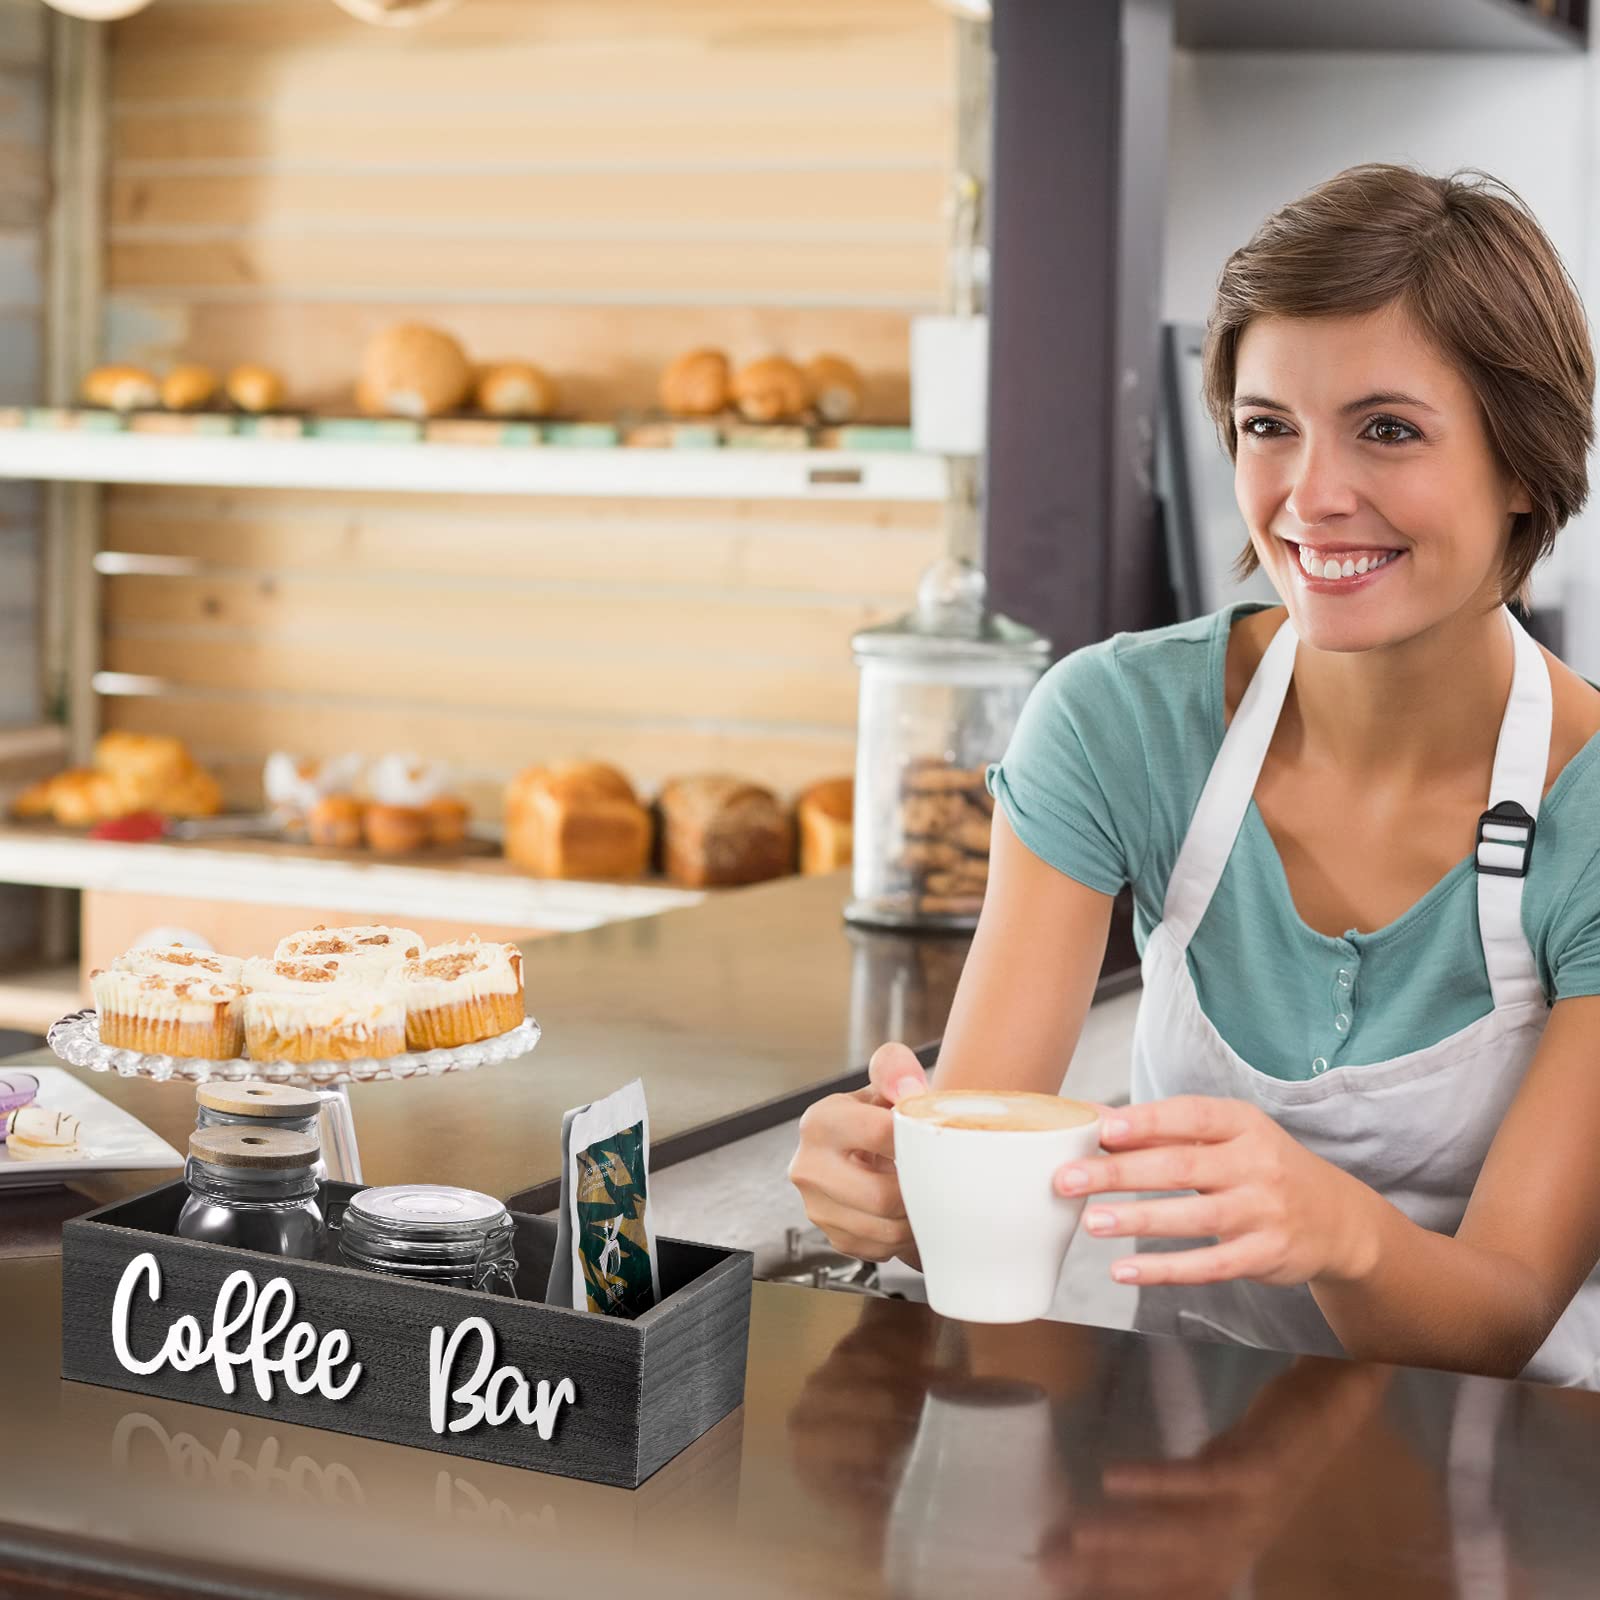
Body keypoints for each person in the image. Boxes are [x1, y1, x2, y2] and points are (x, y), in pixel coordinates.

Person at [789, 164, 1600, 1385]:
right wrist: (891, 1184)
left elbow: (1500, 1315)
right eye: (1269, 425)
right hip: (1168, 1456)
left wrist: (1336, 1229)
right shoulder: (1118, 722)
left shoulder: (1586, 809)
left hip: (1500, 1484)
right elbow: (985, 1122)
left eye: (1388, 428)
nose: (1310, 498)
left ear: (1524, 465)